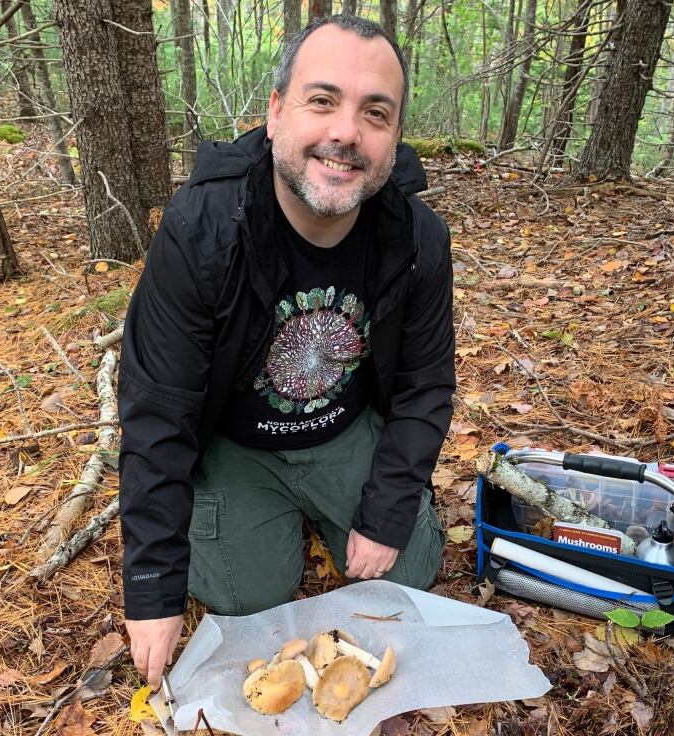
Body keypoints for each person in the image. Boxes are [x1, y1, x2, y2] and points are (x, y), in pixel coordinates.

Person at [118, 14, 456, 690]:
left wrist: (388, 513)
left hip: (344, 426)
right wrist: (151, 586)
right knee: (244, 598)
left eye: (375, 113)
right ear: (276, 112)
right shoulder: (200, 230)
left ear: (393, 140)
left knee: (412, 569)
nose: (345, 133)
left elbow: (425, 385)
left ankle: (340, 509)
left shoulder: (417, 240)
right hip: (236, 441)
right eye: (322, 100)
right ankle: (263, 519)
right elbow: (157, 410)